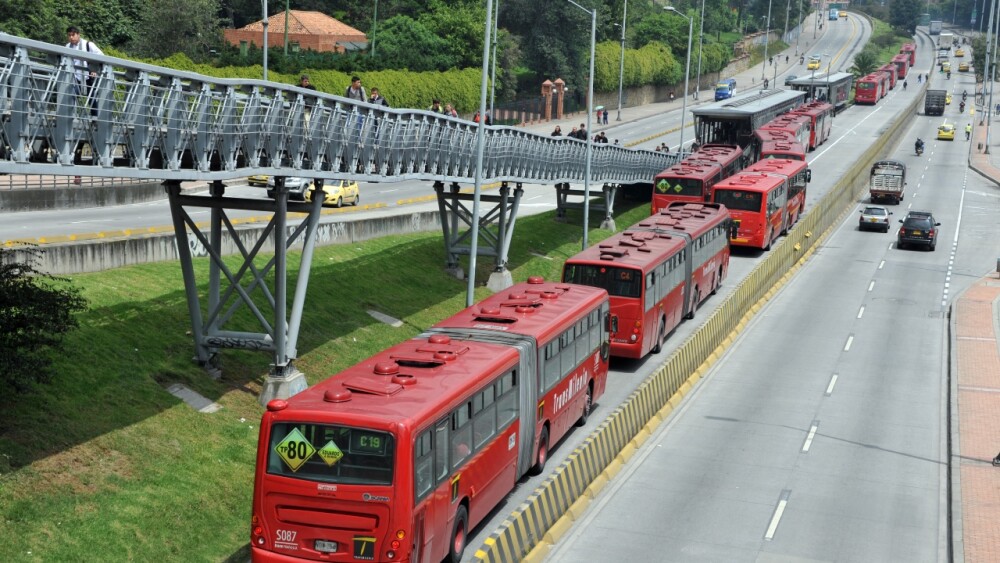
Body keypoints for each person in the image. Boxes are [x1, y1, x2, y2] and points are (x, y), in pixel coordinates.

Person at [65, 26, 103, 115]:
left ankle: (95, 118)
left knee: (92, 99)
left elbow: (101, 56)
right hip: (75, 77)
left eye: (73, 35)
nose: (71, 37)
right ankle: (69, 116)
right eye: (69, 35)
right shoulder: (68, 47)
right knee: (71, 95)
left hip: (88, 76)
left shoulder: (88, 45)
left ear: (78, 34)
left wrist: (95, 69)